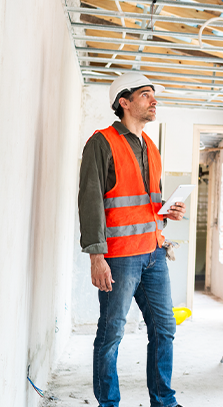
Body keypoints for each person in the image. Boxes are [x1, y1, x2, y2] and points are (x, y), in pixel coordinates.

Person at [78, 73, 187, 407]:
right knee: (112, 333)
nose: (153, 100)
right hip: (121, 257)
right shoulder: (102, 142)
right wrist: (97, 256)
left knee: (164, 330)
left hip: (154, 252)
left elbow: (143, 201)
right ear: (123, 102)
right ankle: (108, 403)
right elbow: (91, 199)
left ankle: (164, 401)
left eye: (154, 95)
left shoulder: (151, 147)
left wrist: (168, 211)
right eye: (145, 95)